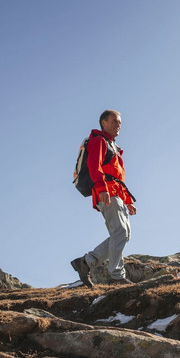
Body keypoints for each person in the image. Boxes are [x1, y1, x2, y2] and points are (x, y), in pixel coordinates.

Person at [71, 110, 137, 286]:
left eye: (120, 122)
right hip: (106, 192)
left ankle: (86, 262)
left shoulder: (113, 146)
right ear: (103, 123)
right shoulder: (99, 141)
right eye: (114, 121)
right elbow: (94, 166)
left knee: (124, 234)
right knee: (120, 232)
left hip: (116, 193)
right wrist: (101, 189)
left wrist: (128, 201)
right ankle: (116, 276)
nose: (118, 125)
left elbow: (117, 178)